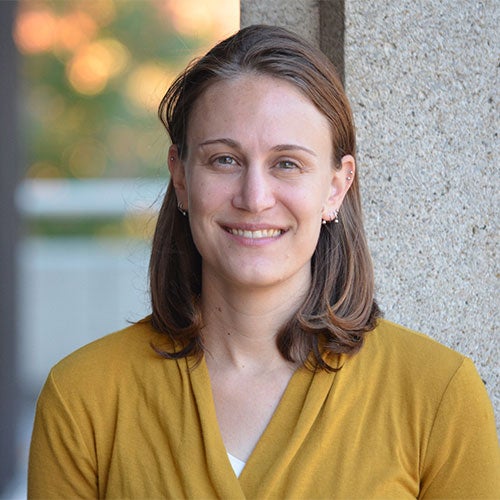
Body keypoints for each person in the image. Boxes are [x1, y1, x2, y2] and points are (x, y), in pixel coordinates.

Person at [28, 25, 499, 499]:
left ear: (336, 187)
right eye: (224, 160)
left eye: (287, 163)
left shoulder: (438, 396)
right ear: (182, 177)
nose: (254, 198)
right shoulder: (83, 397)